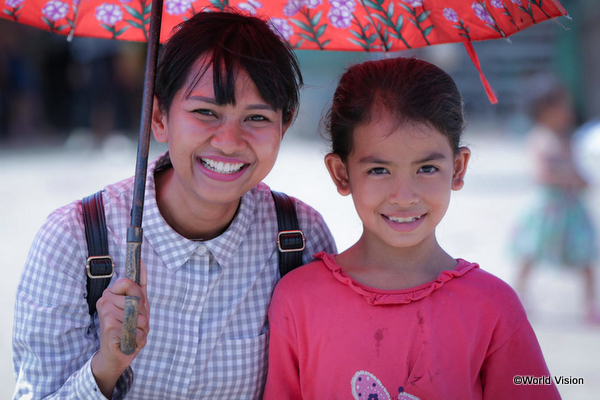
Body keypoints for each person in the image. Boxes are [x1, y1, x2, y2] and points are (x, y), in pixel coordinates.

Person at [12, 11, 336, 400]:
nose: (229, 141)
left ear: (284, 125)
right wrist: (106, 367)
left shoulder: (300, 240)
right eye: (205, 113)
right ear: (159, 117)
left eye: (256, 117)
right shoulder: (73, 241)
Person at [263, 57, 560, 399]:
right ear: (341, 174)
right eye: (379, 170)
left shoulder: (493, 307)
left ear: (458, 168)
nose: (404, 197)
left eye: (427, 168)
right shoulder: (298, 299)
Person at [511, 73, 598, 323]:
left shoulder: (572, 138)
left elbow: (584, 170)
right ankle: (518, 296)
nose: (567, 110)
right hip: (547, 209)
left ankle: (590, 305)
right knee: (530, 252)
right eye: (561, 105)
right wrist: (571, 177)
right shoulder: (540, 138)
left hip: (573, 209)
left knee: (585, 257)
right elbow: (542, 174)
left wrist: (584, 178)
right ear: (543, 110)